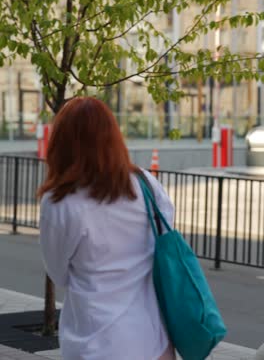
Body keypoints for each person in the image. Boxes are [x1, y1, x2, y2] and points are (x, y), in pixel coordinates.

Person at [39, 97, 176, 360]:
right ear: (113, 137)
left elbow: (58, 274)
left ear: (61, 143)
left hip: (94, 342)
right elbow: (166, 237)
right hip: (152, 340)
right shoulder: (146, 184)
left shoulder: (59, 202)